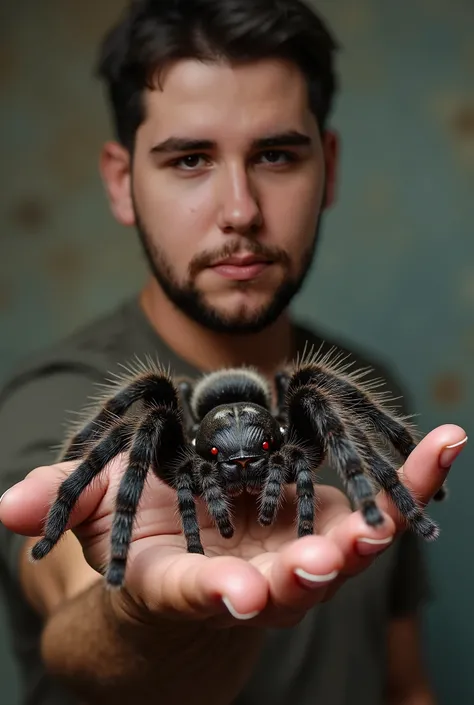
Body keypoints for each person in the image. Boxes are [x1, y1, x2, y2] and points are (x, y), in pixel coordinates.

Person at [0, 1, 467, 704]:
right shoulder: (49, 396)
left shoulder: (354, 387)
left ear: (329, 167)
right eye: (190, 159)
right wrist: (136, 607)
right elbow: (72, 609)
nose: (241, 209)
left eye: (276, 154)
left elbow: (404, 683)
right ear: (122, 181)